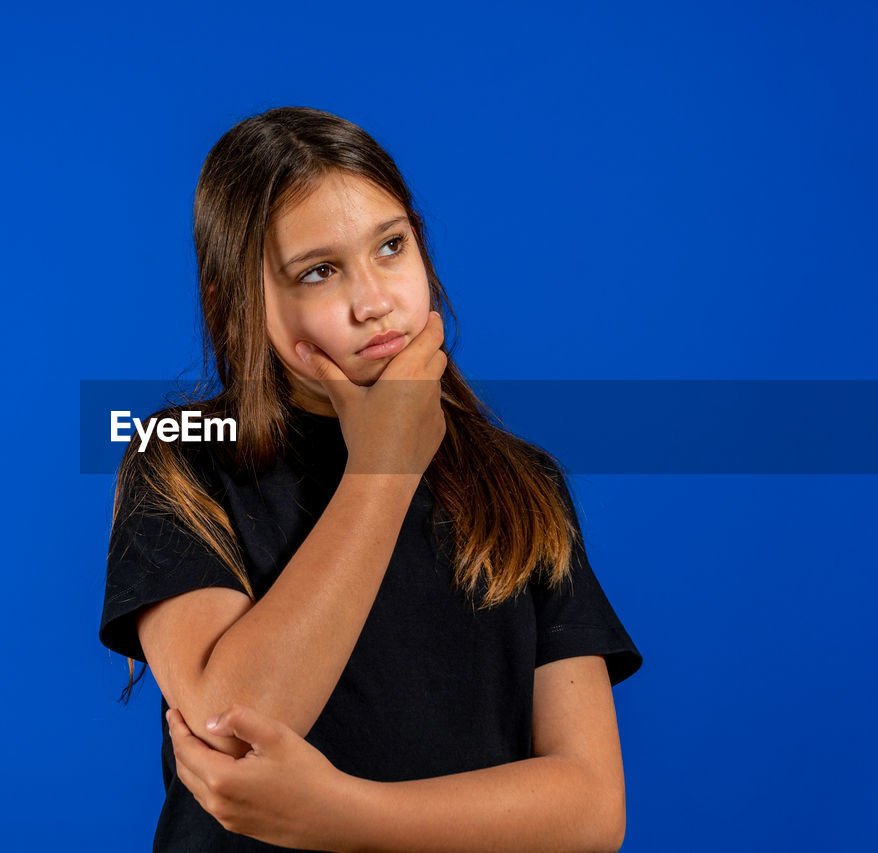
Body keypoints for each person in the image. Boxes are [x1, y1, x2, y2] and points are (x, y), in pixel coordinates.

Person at [98, 106, 643, 852]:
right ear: (237, 304)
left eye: (390, 246)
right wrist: (384, 466)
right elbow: (233, 722)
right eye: (319, 271)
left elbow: (590, 807)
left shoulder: (522, 481)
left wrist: (344, 813)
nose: (374, 301)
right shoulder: (181, 455)